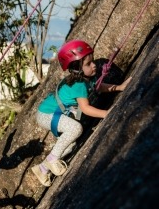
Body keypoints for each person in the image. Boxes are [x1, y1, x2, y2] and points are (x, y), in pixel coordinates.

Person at [31, 40, 131, 187]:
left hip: (51, 112)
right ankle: (52, 160)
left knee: (69, 145)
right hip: (46, 114)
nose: (94, 65)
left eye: (92, 61)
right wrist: (107, 114)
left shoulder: (86, 78)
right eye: (88, 64)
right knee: (75, 129)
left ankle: (42, 169)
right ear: (77, 69)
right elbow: (85, 108)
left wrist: (119, 87)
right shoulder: (79, 84)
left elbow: (98, 87)